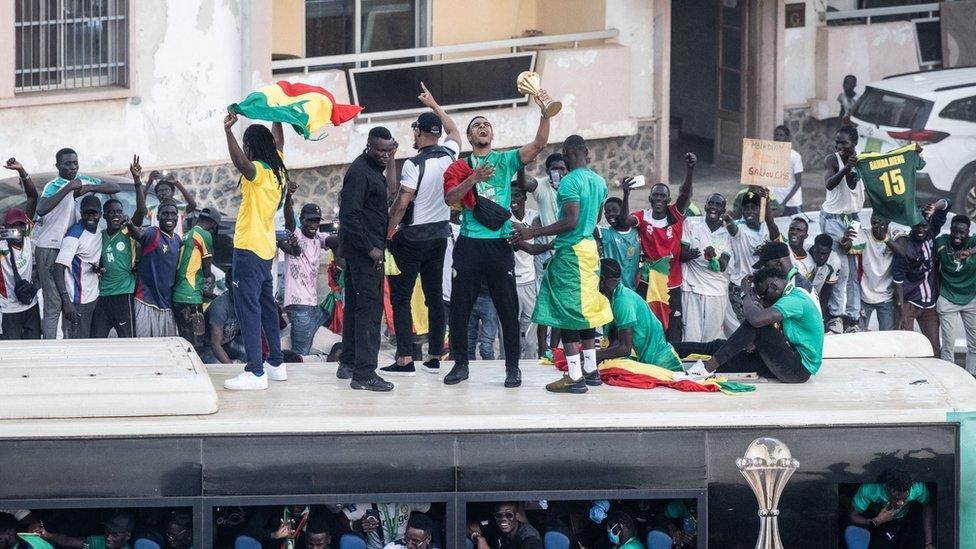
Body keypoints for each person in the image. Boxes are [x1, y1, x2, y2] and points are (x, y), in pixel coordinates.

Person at [442, 90, 552, 387]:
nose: (482, 127)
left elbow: (539, 144)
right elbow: (449, 198)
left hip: (499, 243)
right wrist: (473, 179)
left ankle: (513, 368)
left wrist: (545, 112)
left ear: (491, 134)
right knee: (461, 307)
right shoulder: (460, 166)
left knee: (507, 306)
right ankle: (460, 365)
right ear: (469, 135)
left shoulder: (504, 161)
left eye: (486, 125)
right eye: (477, 125)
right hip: (469, 243)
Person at [512, 135, 613, 393]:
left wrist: (531, 233)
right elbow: (596, 216)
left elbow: (570, 220)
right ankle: (591, 371)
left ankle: (575, 376)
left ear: (567, 153)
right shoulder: (599, 182)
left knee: (567, 314)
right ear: (587, 152)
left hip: (571, 252)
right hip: (590, 250)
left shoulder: (569, 182)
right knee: (586, 311)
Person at [382, 83, 460, 376]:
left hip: (413, 238)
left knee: (401, 298)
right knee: (434, 296)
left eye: (415, 131)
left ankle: (404, 359)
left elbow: (402, 202)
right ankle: (435, 358)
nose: (413, 136)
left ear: (420, 133)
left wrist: (389, 231)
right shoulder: (450, 153)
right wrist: (434, 105)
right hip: (440, 235)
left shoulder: (414, 164)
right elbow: (454, 131)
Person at [222, 113, 287, 390]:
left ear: (251, 147)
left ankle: (256, 371)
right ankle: (276, 363)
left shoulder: (259, 171)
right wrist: (277, 115)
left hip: (248, 247)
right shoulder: (278, 167)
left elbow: (241, 164)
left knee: (248, 309)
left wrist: (228, 132)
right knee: (266, 306)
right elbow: (279, 142)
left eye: (247, 145)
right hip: (265, 249)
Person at [677, 267, 823, 383]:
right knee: (719, 347)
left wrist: (745, 293)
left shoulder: (795, 299)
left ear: (773, 286)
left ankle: (706, 369)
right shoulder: (789, 294)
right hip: (788, 358)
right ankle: (663, 348)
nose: (762, 300)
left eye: (763, 296)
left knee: (756, 323)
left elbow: (756, 319)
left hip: (797, 370)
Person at [34, 148, 119, 339]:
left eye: (75, 163)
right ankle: (50, 347)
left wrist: (90, 187)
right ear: (58, 166)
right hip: (49, 247)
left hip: (67, 246)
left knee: (68, 301)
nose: (73, 167)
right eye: (67, 164)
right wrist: (70, 187)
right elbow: (41, 209)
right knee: (54, 303)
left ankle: (67, 346)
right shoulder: (54, 185)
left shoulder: (80, 178)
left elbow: (114, 187)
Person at [337, 127, 398, 391]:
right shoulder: (360, 172)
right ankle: (364, 374)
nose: (385, 155)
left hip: (363, 252)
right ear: (368, 147)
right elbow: (348, 216)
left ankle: (349, 362)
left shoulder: (373, 169)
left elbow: (389, 194)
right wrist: (370, 248)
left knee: (355, 309)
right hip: (365, 255)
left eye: (388, 150)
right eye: (381, 151)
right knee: (370, 313)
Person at [624, 152, 697, 340]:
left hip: (671, 281)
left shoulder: (675, 214)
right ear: (650, 199)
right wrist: (626, 194)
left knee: (673, 326)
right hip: (648, 280)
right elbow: (624, 220)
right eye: (655, 195)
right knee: (645, 320)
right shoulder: (643, 216)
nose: (658, 199)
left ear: (668, 199)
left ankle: (672, 358)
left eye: (662, 196)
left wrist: (690, 169)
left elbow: (686, 193)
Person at [279, 186, 338, 356]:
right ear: (302, 220)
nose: (313, 224)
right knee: (300, 353)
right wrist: (288, 195)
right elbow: (289, 217)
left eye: (316, 221)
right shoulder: (295, 234)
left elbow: (336, 241)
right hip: (299, 306)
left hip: (313, 306)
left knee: (335, 314)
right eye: (309, 220)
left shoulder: (318, 237)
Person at [596, 258, 682, 371]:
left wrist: (595, 356)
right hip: (648, 359)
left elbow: (625, 349)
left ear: (601, 279)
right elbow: (616, 340)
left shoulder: (622, 301)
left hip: (661, 364)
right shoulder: (614, 297)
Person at [821, 126, 865, 333]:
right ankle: (836, 316)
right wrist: (846, 168)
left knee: (854, 273)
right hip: (834, 219)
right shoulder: (833, 159)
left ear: (854, 143)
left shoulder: (863, 160)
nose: (839, 146)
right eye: (837, 142)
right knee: (842, 270)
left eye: (844, 143)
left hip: (853, 219)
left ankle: (854, 316)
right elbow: (829, 184)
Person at [894, 199, 950, 357]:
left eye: (924, 225)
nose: (920, 229)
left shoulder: (931, 235)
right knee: (905, 349)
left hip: (930, 305)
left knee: (933, 349)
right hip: (909, 303)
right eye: (916, 225)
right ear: (911, 225)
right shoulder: (905, 245)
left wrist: (935, 206)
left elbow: (948, 204)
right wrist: (901, 310)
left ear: (928, 226)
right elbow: (897, 278)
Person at [679, 193, 735, 342]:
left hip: (716, 292)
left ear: (723, 210)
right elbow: (681, 256)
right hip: (691, 288)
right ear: (705, 206)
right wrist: (691, 255)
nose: (714, 208)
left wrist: (713, 257)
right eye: (711, 203)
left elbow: (722, 266)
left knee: (711, 337)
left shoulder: (726, 234)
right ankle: (690, 366)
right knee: (691, 336)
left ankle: (708, 366)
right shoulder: (690, 223)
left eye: (718, 205)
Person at [125, 198, 181, 338]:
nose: (169, 217)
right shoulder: (153, 233)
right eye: (165, 214)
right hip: (146, 301)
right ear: (157, 217)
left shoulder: (178, 240)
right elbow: (139, 235)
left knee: (167, 348)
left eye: (173, 214)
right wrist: (131, 226)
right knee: (144, 348)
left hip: (167, 306)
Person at [508, 185, 552, 359]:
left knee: (529, 333)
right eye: (510, 195)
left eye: (517, 195)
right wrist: (548, 245)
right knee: (510, 331)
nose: (513, 199)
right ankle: (508, 364)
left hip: (530, 281)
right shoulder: (504, 217)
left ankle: (530, 367)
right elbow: (530, 248)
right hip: (511, 282)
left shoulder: (533, 216)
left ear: (525, 198)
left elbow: (549, 219)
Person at [726, 188, 782, 320]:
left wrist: (767, 202)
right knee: (747, 325)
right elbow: (733, 229)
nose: (749, 212)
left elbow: (774, 234)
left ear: (760, 210)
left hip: (762, 288)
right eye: (746, 208)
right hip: (740, 287)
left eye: (753, 208)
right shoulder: (739, 226)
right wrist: (728, 222)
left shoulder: (767, 228)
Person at [54, 195, 103, 338]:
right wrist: (66, 302)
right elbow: (58, 269)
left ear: (100, 214)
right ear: (81, 213)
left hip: (94, 296)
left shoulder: (99, 229)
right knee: (78, 344)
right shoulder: (74, 236)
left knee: (93, 342)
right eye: (86, 213)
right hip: (77, 301)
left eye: (94, 213)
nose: (90, 216)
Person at [849, 469, 934, 549]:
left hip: (907, 518)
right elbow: (852, 516)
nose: (900, 503)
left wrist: (928, 543)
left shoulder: (918, 488)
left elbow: (927, 507)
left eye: (905, 498)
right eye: (896, 498)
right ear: (886, 488)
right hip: (880, 521)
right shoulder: (870, 489)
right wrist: (876, 521)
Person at [172, 207, 218, 352]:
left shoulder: (186, 235)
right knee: (196, 344)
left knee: (184, 339)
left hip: (178, 295)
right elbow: (207, 272)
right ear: (213, 225)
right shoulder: (204, 235)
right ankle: (195, 373)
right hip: (191, 296)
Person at [845, 213, 900, 331]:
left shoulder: (894, 233)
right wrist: (846, 239)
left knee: (887, 337)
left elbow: (903, 252)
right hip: (865, 296)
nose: (877, 226)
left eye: (881, 222)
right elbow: (846, 246)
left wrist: (885, 238)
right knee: (859, 335)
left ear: (888, 222)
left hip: (887, 297)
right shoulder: (864, 235)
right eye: (874, 222)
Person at [936, 214, 976, 374]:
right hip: (948, 298)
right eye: (955, 231)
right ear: (950, 229)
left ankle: (972, 377)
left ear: (968, 232)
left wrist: (970, 252)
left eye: (962, 232)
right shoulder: (942, 242)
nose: (958, 236)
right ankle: (950, 378)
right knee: (948, 345)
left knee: (974, 344)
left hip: (971, 299)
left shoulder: (973, 242)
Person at [522, 153, 567, 281]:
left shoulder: (572, 187)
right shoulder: (541, 185)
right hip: (548, 250)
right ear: (547, 171)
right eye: (554, 169)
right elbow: (523, 184)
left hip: (569, 249)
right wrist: (521, 165)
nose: (558, 172)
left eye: (561, 169)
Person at [0, 208, 40, 340]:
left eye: (21, 225)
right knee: (11, 353)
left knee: (34, 348)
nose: (18, 230)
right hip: (8, 309)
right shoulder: (1, 246)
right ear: (5, 228)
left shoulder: (28, 237)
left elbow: (32, 197)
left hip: (30, 304)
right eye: (13, 226)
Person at [337, 503, 431, 549]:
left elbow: (433, 509)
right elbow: (340, 517)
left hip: (406, 545)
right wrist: (356, 525)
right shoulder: (365, 504)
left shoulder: (406, 499)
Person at [204, 266, 245, 364]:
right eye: (235, 282)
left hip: (228, 344)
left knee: (249, 353)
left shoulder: (246, 303)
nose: (239, 286)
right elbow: (215, 345)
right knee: (217, 366)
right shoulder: (220, 306)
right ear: (227, 283)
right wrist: (231, 368)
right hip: (209, 349)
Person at [598, 196, 640, 290]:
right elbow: (587, 226)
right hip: (613, 290)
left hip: (633, 289)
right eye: (607, 211)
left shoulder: (636, 231)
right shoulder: (605, 233)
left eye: (614, 210)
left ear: (623, 212)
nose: (610, 214)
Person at [35, 511, 134, 549]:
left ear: (127, 536)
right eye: (107, 532)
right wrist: (49, 535)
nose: (108, 537)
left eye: (115, 535)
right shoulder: (100, 542)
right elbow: (68, 541)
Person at [145, 171, 197, 238]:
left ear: (172, 193)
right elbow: (140, 208)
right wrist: (149, 182)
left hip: (176, 245)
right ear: (156, 195)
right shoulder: (151, 209)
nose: (164, 193)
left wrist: (176, 183)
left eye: (167, 190)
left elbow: (193, 205)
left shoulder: (179, 209)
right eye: (160, 190)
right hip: (157, 245)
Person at [468, 503, 542, 549]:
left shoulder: (529, 538)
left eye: (508, 515)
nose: (503, 519)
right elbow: (465, 527)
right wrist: (479, 538)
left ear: (517, 516)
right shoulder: (495, 523)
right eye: (499, 515)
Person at [771, 125, 805, 216]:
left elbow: (798, 183)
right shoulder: (769, 155)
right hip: (775, 201)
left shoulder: (795, 156)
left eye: (781, 135)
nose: (778, 138)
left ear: (787, 138)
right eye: (776, 135)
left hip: (792, 203)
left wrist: (784, 203)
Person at [807, 233, 842, 319]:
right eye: (818, 253)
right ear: (813, 248)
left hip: (816, 295)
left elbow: (826, 292)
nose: (821, 257)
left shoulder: (835, 262)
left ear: (830, 252)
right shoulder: (805, 252)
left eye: (824, 254)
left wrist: (820, 316)